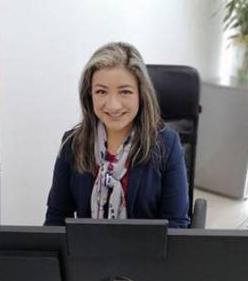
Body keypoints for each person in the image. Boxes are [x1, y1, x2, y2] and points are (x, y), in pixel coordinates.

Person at [45, 42, 190, 228]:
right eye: (101, 91)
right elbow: (55, 220)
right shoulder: (72, 144)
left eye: (125, 92)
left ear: (141, 94)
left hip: (148, 254)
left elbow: (176, 225)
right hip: (87, 253)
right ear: (89, 95)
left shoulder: (167, 145)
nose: (113, 105)